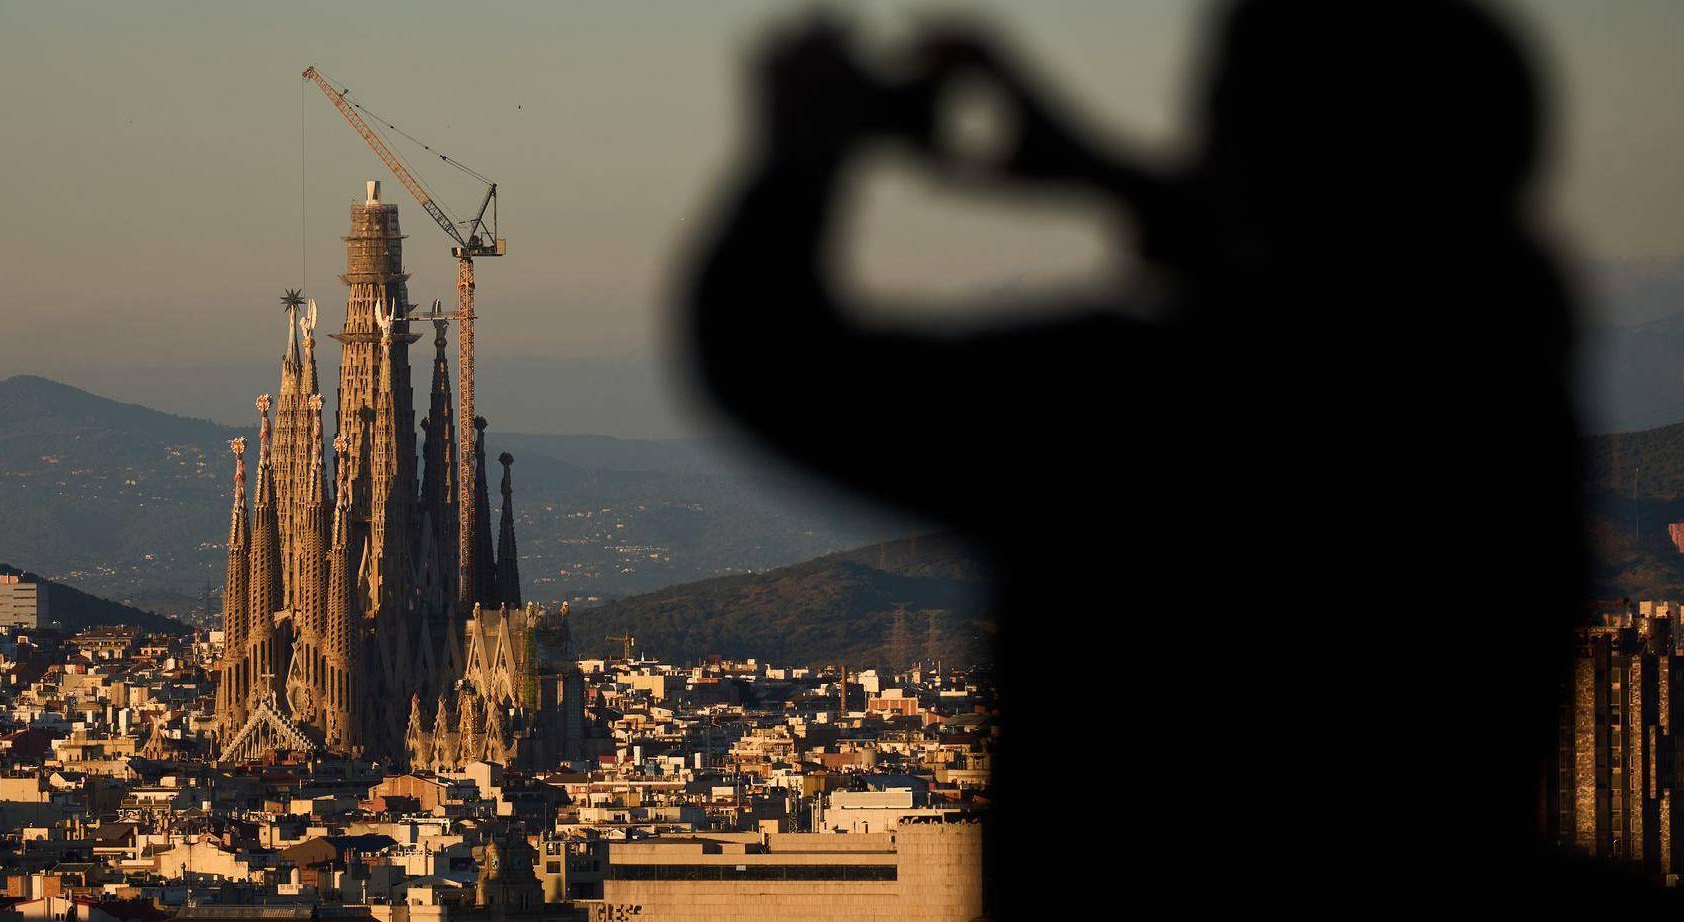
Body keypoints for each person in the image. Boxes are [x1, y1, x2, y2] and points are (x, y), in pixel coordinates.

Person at [687, 0, 1661, 909]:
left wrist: (802, 148)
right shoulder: (1498, 392)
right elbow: (1361, 266)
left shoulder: (1140, 416)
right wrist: (1110, 176)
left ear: (1240, 150)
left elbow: (772, 357)